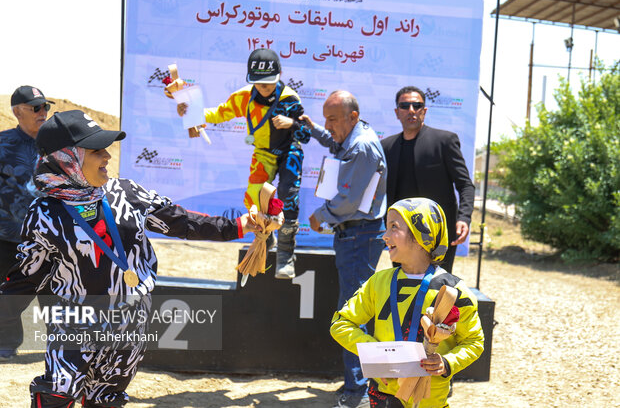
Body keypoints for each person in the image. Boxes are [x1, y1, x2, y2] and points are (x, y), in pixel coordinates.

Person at [0, 110, 258, 407]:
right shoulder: (45, 213)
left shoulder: (127, 194)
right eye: (96, 150)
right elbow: (27, 276)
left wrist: (239, 226)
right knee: (58, 394)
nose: (107, 156)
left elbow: (182, 222)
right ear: (66, 158)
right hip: (75, 327)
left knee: (107, 399)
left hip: (130, 328)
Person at [330, 198, 484, 408]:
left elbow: (474, 341)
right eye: (387, 227)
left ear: (423, 235)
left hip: (430, 400)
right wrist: (377, 355)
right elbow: (340, 324)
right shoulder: (378, 282)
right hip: (382, 396)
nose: (385, 236)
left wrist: (447, 363)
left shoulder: (453, 290)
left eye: (394, 227)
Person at [177, 48, 311, 279]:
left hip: (290, 151)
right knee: (254, 199)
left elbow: (306, 135)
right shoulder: (244, 97)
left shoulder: (290, 98)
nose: (263, 87)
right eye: (258, 83)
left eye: (268, 82)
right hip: (263, 153)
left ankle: (286, 255)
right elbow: (219, 114)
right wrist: (192, 112)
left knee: (288, 196)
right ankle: (266, 239)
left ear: (280, 75)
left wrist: (291, 123)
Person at [301, 91, 386, 408]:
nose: (328, 125)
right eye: (325, 118)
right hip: (356, 235)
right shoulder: (357, 136)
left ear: (353, 116)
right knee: (354, 311)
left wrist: (320, 216)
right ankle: (357, 383)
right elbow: (337, 145)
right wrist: (315, 130)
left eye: (332, 119)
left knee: (352, 315)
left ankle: (359, 392)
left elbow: (347, 201)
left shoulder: (361, 146)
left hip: (359, 236)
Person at [380, 86, 475, 273]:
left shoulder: (444, 141)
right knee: (402, 288)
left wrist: (464, 217)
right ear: (396, 112)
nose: (411, 110)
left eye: (417, 105)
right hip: (400, 234)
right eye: (405, 106)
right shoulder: (386, 147)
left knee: (437, 289)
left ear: (425, 110)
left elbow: (465, 185)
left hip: (437, 232)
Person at [0, 85, 55, 359]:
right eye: (36, 107)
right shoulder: (2, 143)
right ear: (17, 112)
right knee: (6, 295)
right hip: (8, 237)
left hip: (51, 237)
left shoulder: (58, 144)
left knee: (55, 295)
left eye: (46, 106)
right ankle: (6, 344)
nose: (43, 112)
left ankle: (62, 346)